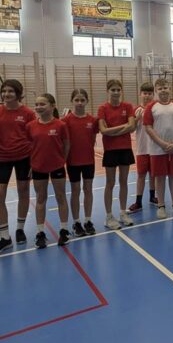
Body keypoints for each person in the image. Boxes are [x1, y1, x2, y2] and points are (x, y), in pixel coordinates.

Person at [0, 79, 33, 251]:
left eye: (10, 91)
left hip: (24, 157)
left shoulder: (28, 113)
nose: (6, 94)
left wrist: (34, 162)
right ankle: (4, 237)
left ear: (18, 93)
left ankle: (20, 229)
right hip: (2, 158)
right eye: (4, 91)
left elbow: (34, 138)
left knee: (23, 191)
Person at [27, 94, 70, 248]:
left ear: (52, 106)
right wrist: (31, 165)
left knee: (61, 197)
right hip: (38, 167)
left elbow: (66, 145)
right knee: (40, 199)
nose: (38, 107)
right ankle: (40, 232)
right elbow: (30, 147)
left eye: (42, 104)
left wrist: (61, 161)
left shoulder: (60, 125)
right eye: (37, 104)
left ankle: (64, 230)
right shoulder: (30, 126)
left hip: (57, 167)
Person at [144, 79, 173, 218]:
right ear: (156, 91)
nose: (163, 90)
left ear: (169, 89)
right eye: (160, 88)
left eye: (165, 88)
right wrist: (162, 143)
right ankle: (161, 205)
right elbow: (148, 127)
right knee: (160, 177)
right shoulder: (151, 107)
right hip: (157, 149)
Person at [97, 78, 136, 230]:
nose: (116, 92)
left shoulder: (127, 106)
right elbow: (103, 130)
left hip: (125, 148)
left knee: (124, 181)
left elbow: (132, 126)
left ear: (121, 91)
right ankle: (108, 216)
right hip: (110, 150)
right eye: (113, 90)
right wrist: (123, 126)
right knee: (110, 183)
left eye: (118, 89)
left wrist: (112, 131)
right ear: (108, 91)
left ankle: (123, 213)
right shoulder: (102, 108)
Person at [64, 89, 97, 236]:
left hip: (88, 160)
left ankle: (88, 220)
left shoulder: (92, 120)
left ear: (87, 101)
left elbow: (93, 138)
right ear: (72, 101)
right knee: (75, 190)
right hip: (73, 161)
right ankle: (76, 222)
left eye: (82, 100)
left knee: (88, 189)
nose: (79, 103)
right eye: (76, 100)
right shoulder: (66, 121)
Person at [128, 82, 155, 213]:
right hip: (142, 148)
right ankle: (138, 202)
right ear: (140, 94)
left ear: (153, 95)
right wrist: (137, 119)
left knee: (154, 174)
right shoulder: (136, 110)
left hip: (155, 148)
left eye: (149, 93)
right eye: (145, 93)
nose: (147, 96)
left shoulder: (156, 108)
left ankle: (152, 197)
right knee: (141, 175)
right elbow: (131, 129)